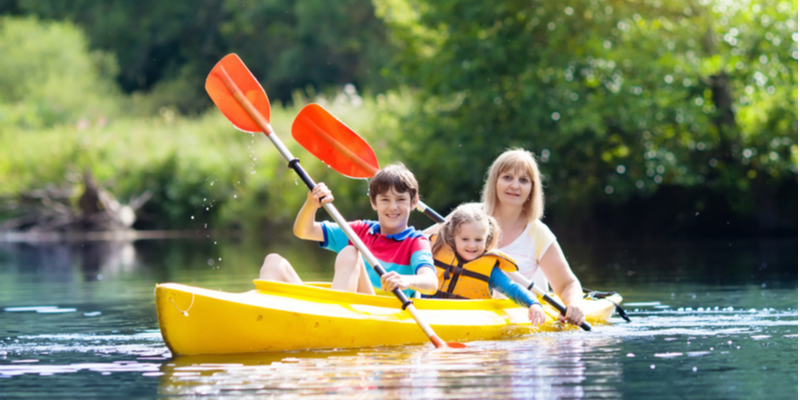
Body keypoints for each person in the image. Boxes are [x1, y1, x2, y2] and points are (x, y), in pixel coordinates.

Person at [427, 148, 586, 326]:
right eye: (507, 177)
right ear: (495, 182)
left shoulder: (538, 233)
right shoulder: (467, 216)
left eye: (523, 180)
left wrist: (574, 305)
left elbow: (567, 284)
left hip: (515, 320)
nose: (515, 186)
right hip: (457, 311)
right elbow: (417, 243)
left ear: (531, 189)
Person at [259, 163, 438, 297]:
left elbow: (431, 283)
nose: (393, 207)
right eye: (385, 199)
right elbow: (303, 231)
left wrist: (407, 280)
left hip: (383, 315)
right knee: (273, 262)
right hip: (349, 310)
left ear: (413, 203)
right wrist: (311, 204)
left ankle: (333, 318)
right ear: (374, 203)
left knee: (351, 252)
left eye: (400, 199)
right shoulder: (359, 230)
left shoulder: (417, 241)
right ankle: (263, 318)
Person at [428, 204, 546, 326]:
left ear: (486, 238)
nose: (472, 245)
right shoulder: (435, 253)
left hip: (471, 321)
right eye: (465, 239)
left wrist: (533, 303)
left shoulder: (490, 270)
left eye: (478, 240)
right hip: (432, 314)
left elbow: (512, 288)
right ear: (453, 235)